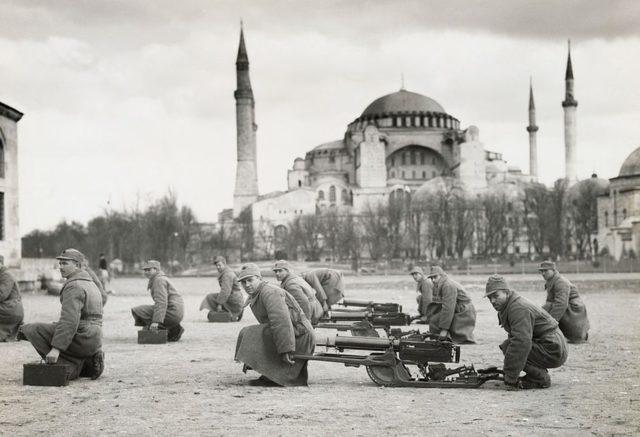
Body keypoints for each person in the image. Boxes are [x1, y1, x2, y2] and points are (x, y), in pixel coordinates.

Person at [19, 249, 104, 381]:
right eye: (60, 263)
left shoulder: (74, 286)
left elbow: (69, 321)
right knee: (54, 327)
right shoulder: (89, 282)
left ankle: (66, 367)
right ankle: (88, 363)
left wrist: (56, 349)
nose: (60, 267)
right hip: (94, 338)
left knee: (31, 329)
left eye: (65, 263)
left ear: (77, 265)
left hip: (83, 336)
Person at [234, 263, 315, 387]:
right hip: (293, 332)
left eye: (250, 280)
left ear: (259, 279)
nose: (247, 285)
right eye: (243, 282)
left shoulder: (269, 292)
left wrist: (286, 349)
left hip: (299, 335)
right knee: (254, 332)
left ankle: (276, 376)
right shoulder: (258, 293)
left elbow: (281, 322)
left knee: (251, 332)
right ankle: (270, 373)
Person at [484, 275, 568, 389]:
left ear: (507, 292)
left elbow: (521, 342)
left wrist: (510, 376)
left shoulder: (517, 308)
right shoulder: (509, 305)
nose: (492, 301)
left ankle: (540, 378)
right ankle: (537, 373)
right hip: (551, 345)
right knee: (510, 345)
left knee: (510, 346)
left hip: (553, 348)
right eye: (490, 298)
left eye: (495, 296)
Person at [131, 260, 184, 342]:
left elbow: (161, 302)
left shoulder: (158, 280)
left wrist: (156, 321)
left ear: (156, 270)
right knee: (148, 309)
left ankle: (166, 329)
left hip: (172, 312)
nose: (146, 272)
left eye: (149, 270)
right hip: (176, 312)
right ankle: (174, 328)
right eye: (145, 270)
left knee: (138, 310)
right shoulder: (160, 278)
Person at [538, 261, 590, 343]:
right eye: (541, 271)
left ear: (553, 270)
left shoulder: (560, 282)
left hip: (574, 311)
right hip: (567, 309)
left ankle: (576, 334)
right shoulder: (552, 280)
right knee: (544, 309)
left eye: (546, 271)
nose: (543, 273)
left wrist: (550, 324)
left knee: (549, 308)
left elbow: (561, 304)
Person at [425, 266, 476, 343]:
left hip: (464, 311)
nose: (433, 280)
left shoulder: (447, 285)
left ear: (441, 275)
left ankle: (442, 337)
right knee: (435, 314)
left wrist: (444, 329)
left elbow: (448, 308)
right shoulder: (444, 283)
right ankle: (438, 336)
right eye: (431, 278)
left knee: (435, 320)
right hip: (461, 308)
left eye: (435, 277)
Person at [273, 260, 323, 325]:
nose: (277, 273)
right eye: (276, 271)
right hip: (315, 310)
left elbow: (304, 303)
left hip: (311, 313)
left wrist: (306, 323)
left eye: (280, 271)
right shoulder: (294, 278)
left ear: (287, 271)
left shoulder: (290, 285)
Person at [199, 256, 245, 321]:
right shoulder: (225, 272)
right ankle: (234, 312)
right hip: (234, 297)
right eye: (217, 266)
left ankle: (233, 314)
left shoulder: (227, 275)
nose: (218, 267)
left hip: (234, 299)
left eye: (219, 265)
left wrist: (219, 304)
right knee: (210, 297)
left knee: (211, 312)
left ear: (224, 264)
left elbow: (225, 291)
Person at [0, 257, 23, 342]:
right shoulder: (2, 273)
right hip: (7, 307)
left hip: (11, 309)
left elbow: (1, 295)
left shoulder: (6, 275)